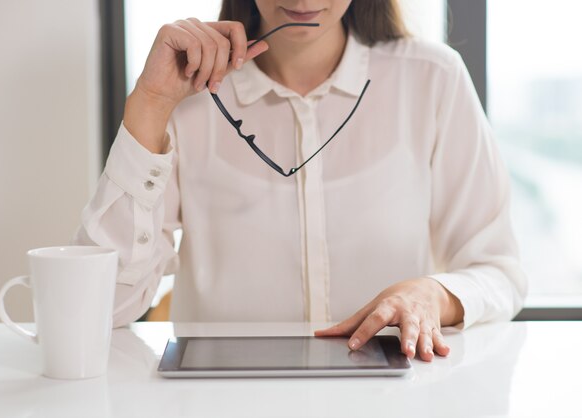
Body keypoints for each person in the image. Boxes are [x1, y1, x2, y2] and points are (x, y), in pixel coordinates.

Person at [74, 0, 527, 362]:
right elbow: (100, 311)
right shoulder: (185, 95)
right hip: (221, 405)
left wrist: (433, 294)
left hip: (392, 405)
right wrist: (150, 104)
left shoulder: (434, 79)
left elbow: (499, 273)